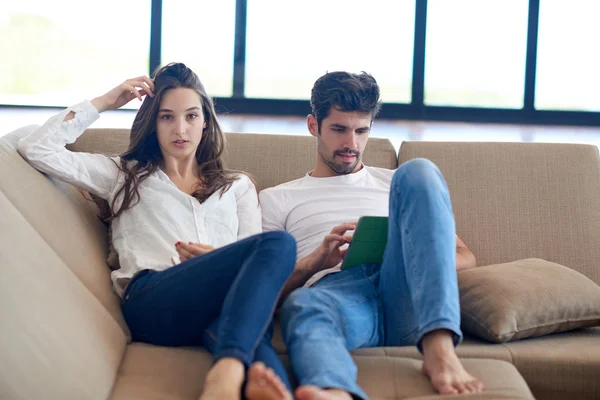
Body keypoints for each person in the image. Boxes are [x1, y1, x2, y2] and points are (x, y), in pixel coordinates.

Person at [18, 63, 295, 400]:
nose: (181, 128)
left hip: (223, 304)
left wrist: (219, 261)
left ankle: (238, 374)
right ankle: (227, 372)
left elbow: (256, 261)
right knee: (276, 246)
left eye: (191, 116)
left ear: (206, 121)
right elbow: (36, 149)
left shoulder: (237, 187)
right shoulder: (123, 174)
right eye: (167, 117)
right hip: (155, 300)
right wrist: (106, 100)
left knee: (266, 278)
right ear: (153, 124)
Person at [259, 71, 484, 400]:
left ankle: (439, 346)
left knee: (420, 169)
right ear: (313, 125)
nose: (351, 144)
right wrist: (312, 263)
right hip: (339, 296)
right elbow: (261, 292)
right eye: (338, 129)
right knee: (304, 303)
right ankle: (334, 390)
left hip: (405, 290)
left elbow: (466, 257)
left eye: (361, 130)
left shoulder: (397, 184)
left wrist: (409, 256)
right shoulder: (277, 198)